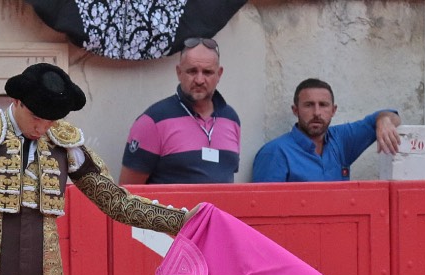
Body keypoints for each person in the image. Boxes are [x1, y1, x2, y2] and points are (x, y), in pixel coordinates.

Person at [0, 62, 197, 275]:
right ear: (17, 100)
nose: (41, 129)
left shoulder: (65, 143)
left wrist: (181, 221)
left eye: (51, 121)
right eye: (36, 118)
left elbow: (116, 202)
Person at [119, 37, 240, 185]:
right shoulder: (153, 122)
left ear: (219, 74)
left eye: (207, 72)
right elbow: (127, 194)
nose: (199, 80)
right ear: (179, 72)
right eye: (192, 71)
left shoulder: (231, 119)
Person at [251, 78, 401, 182]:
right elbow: (265, 214)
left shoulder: (341, 140)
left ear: (333, 110)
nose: (317, 112)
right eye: (309, 105)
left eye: (323, 105)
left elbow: (390, 115)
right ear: (295, 110)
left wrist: (384, 120)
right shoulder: (275, 153)